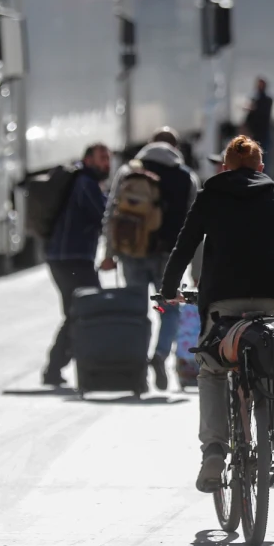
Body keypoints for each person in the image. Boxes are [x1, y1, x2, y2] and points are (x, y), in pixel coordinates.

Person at [160, 136, 274, 493]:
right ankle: (271, 425)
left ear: (225, 167)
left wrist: (169, 289)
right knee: (270, 353)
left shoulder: (210, 197)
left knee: (212, 369)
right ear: (261, 167)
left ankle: (214, 448)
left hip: (223, 302)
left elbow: (185, 245)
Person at [99, 128, 199, 391]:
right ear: (176, 147)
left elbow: (112, 213)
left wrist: (109, 254)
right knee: (169, 309)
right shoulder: (185, 176)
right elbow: (195, 222)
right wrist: (192, 263)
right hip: (168, 257)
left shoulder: (129, 172)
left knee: (136, 311)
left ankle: (137, 372)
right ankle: (160, 354)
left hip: (132, 252)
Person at [42, 143, 112, 387]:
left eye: (108, 158)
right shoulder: (86, 183)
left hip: (65, 257)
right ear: (89, 159)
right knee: (84, 310)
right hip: (71, 258)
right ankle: (58, 368)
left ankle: (57, 368)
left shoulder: (84, 182)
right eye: (102, 158)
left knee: (77, 312)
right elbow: (103, 216)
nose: (107, 164)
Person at [243, 77, 274, 166]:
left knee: (263, 157)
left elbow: (260, 112)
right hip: (255, 133)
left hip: (263, 132)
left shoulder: (267, 100)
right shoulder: (255, 99)